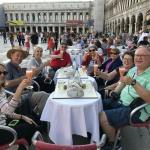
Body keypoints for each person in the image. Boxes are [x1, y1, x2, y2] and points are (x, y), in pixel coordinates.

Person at [100, 46, 150, 150]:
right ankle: (106, 132)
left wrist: (133, 82)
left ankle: (111, 143)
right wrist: (115, 91)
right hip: (120, 101)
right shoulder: (133, 69)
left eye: (142, 56)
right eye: (136, 55)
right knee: (97, 105)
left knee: (102, 116)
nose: (138, 58)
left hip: (136, 111)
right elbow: (123, 82)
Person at [0, 63, 38, 148]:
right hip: (2, 130)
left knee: (30, 119)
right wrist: (20, 88)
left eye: (4, 73)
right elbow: (8, 111)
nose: (2, 75)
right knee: (30, 127)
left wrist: (22, 117)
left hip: (4, 124)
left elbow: (5, 112)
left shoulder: (1, 89)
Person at [5, 46, 50, 116]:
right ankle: (42, 119)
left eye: (21, 56)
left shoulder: (18, 67)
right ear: (11, 55)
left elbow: (27, 78)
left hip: (23, 92)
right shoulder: (8, 67)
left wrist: (28, 81)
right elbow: (6, 84)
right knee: (44, 95)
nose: (19, 58)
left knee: (45, 91)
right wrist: (22, 79)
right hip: (13, 97)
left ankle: (37, 116)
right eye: (17, 55)